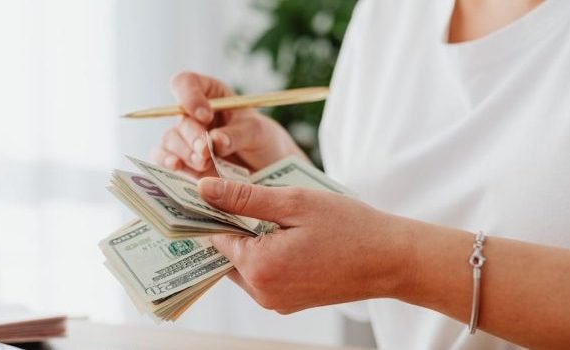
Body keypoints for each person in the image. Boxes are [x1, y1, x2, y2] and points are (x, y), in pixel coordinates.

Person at [152, 0, 570, 348]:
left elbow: (383, 253)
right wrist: (275, 170)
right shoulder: (389, 12)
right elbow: (372, 289)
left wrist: (394, 260)